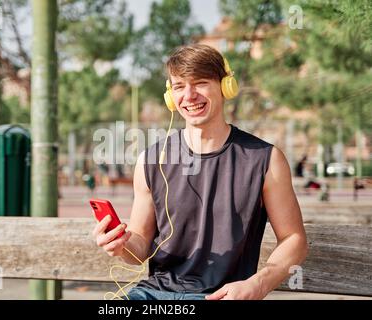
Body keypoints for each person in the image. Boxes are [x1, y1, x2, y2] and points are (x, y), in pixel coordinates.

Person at [93, 44, 308, 300]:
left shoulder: (266, 159)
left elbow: (294, 239)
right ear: (170, 96)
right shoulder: (151, 161)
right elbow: (138, 249)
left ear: (226, 87)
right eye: (179, 86)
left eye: (201, 83)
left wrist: (258, 284)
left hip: (220, 296)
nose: (190, 95)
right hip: (152, 294)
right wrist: (121, 244)